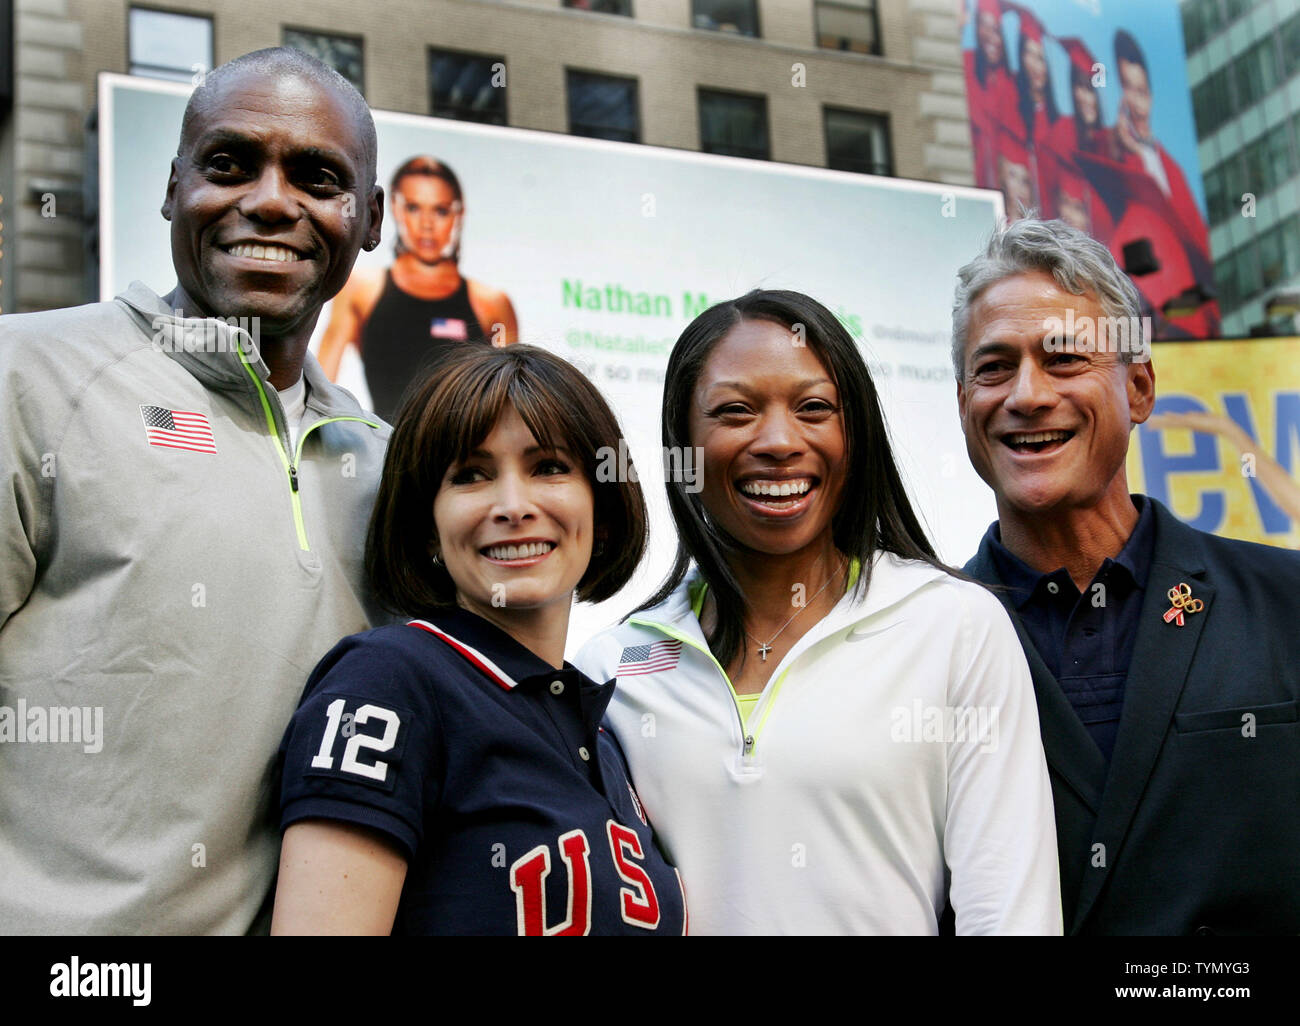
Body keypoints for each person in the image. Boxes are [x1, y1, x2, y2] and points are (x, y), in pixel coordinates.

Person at [0, 47, 390, 934]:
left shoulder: (390, 464)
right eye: (229, 164)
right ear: (172, 186)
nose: (269, 200)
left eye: (317, 176)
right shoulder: (23, 374)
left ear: (367, 219)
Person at [574, 289, 1062, 935]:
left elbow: (1010, 915)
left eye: (813, 409)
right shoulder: (610, 668)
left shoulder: (955, 627)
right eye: (735, 411)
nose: (778, 441)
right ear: (682, 447)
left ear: (853, 435)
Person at [951, 217, 1300, 934]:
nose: (1026, 395)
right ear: (964, 407)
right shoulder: (922, 645)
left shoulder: (1284, 604)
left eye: (1064, 359)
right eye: (993, 367)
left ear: (1138, 389)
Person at [272, 344, 686, 935]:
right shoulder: (389, 681)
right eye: (471, 475)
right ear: (428, 526)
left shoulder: (606, 735)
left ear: (604, 505)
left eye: (548, 467)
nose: (514, 507)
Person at [318, 156, 519, 421]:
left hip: (461, 457)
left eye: (440, 210)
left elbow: (512, 404)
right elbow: (320, 384)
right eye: (414, 207)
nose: (427, 224)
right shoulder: (361, 290)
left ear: (458, 214)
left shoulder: (492, 303)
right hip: (386, 455)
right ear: (395, 209)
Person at [1109, 29, 1219, 337]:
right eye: (1128, 89)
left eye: (1141, 91)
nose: (1137, 103)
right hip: (1140, 315)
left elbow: (1198, 243)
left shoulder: (1173, 170)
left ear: (1152, 96)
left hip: (1187, 314)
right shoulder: (1113, 157)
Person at [960, 0, 1020, 191]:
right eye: (983, 26)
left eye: (996, 29)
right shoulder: (966, 64)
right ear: (976, 30)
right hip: (971, 176)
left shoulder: (1013, 86)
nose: (990, 36)